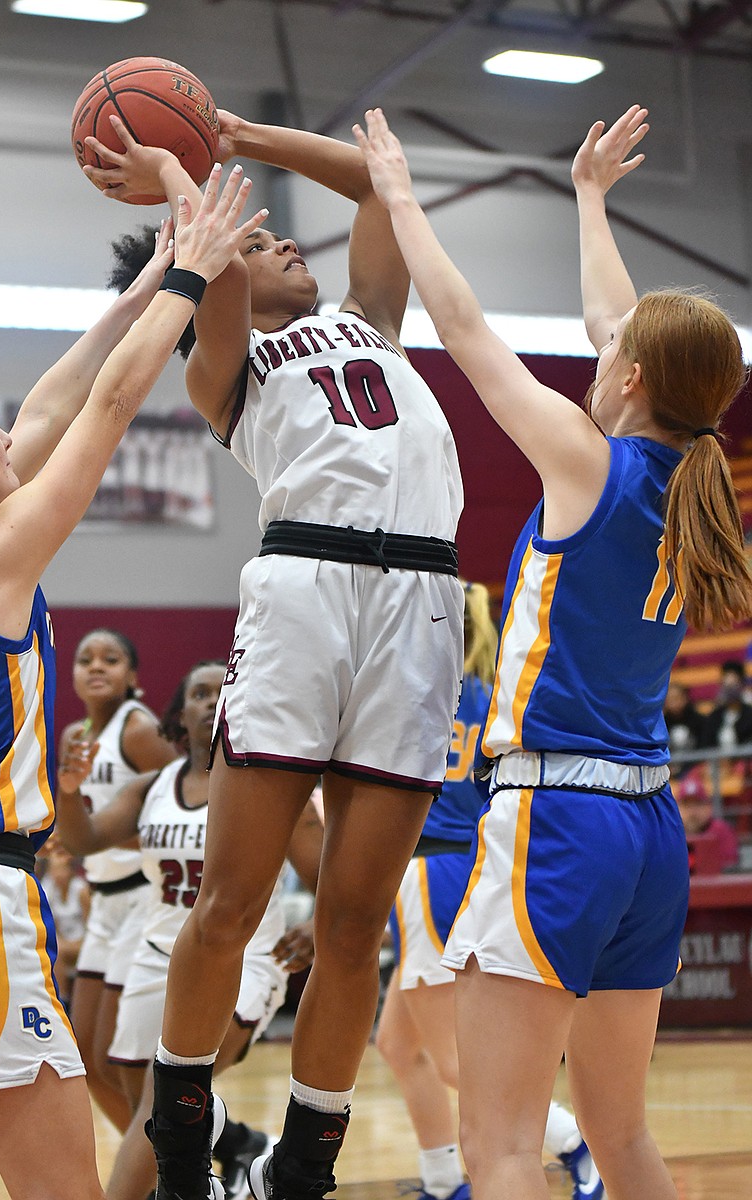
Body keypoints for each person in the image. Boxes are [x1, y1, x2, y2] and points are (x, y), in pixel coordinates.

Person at [354, 105, 752, 1200]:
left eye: (610, 351)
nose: (598, 345)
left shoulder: (591, 466)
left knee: (498, 1151)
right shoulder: (686, 483)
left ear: (627, 381)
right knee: (621, 1139)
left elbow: (469, 331)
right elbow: (622, 323)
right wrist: (586, 200)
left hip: (554, 821)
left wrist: (396, 199)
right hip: (646, 829)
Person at [81, 108, 464, 1200]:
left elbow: (372, 190)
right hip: (305, 587)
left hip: (422, 597)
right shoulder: (232, 363)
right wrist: (180, 170)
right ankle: (182, 1130)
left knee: (352, 919)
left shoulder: (371, 320)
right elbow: (217, 272)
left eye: (281, 241)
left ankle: (308, 1152)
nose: (286, 244)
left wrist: (240, 129)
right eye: (258, 242)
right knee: (235, 900)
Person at [0, 165, 269, 1200]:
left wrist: (137, 295)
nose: (12, 433)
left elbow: (53, 401)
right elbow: (108, 404)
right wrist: (186, 280)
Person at [55, 659, 325, 1200]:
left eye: (222, 690)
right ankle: (221, 1168)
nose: (211, 702)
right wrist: (68, 790)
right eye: (198, 693)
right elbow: (83, 841)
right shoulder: (151, 787)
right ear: (180, 714)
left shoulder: (272, 789)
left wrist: (318, 922)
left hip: (248, 956)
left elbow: (326, 873)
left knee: (164, 1100)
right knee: (148, 1109)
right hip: (159, 953)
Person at [377, 582, 602, 1200]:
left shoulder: (416, 689)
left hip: (427, 870)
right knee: (397, 1043)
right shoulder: (496, 693)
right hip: (470, 864)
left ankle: (578, 1144)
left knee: (454, 1061)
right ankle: (444, 1181)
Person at [60, 627, 177, 1132]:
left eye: (111, 659)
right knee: (86, 1059)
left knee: (117, 1060)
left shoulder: (138, 730)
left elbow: (186, 805)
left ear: (132, 676)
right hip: (101, 903)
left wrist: (103, 835)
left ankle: (167, 1166)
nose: (96, 666)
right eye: (86, 659)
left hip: (142, 899)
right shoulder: (73, 737)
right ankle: (156, 1163)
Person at [39, 839, 90, 1007]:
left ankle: (64, 1002)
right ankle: (56, 999)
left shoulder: (81, 890)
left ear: (70, 871)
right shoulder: (48, 888)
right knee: (52, 948)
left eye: (61, 870)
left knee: (57, 950)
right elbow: (50, 925)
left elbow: (91, 926)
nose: (57, 875)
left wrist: (73, 943)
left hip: (84, 942)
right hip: (64, 942)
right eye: (54, 870)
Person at [674, 767, 739, 873]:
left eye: (698, 804)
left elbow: (729, 868)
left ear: (709, 807)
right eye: (687, 806)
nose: (692, 812)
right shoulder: (671, 834)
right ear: (677, 808)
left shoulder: (721, 831)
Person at [702, 659, 752, 749]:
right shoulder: (715, 716)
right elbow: (707, 745)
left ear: (742, 684)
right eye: (726, 685)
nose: (730, 689)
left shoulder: (749, 715)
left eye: (733, 684)